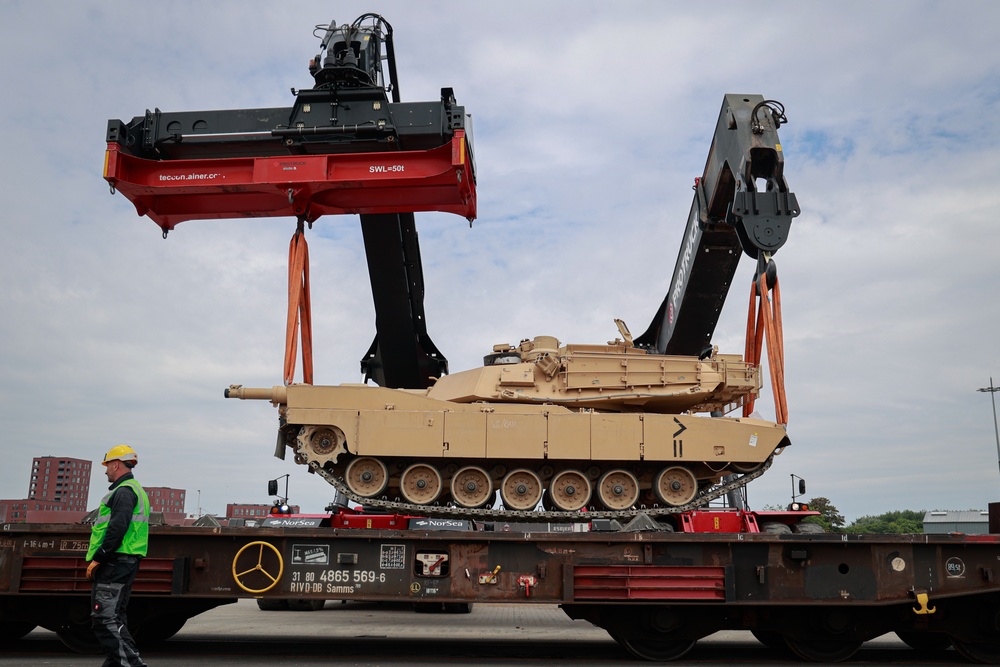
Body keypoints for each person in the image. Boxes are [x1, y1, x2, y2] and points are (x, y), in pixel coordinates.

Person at [86, 444, 150, 667]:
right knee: (114, 617)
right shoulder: (134, 489)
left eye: (106, 466)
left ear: (115, 464)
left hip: (115, 562)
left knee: (105, 619)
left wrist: (99, 558)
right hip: (124, 561)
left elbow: (117, 527)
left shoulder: (123, 491)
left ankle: (132, 664)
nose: (105, 471)